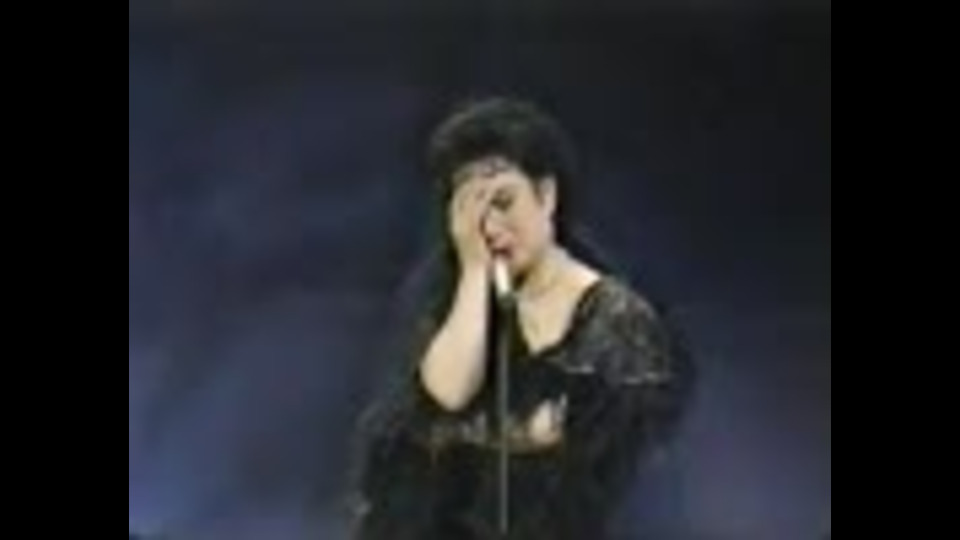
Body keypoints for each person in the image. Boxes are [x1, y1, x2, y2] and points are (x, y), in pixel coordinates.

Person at [347, 97, 693, 540]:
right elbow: (446, 395)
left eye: (504, 202)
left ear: (546, 196)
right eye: (472, 211)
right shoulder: (451, 298)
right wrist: (475, 270)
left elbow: (586, 459)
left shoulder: (615, 319)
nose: (490, 228)